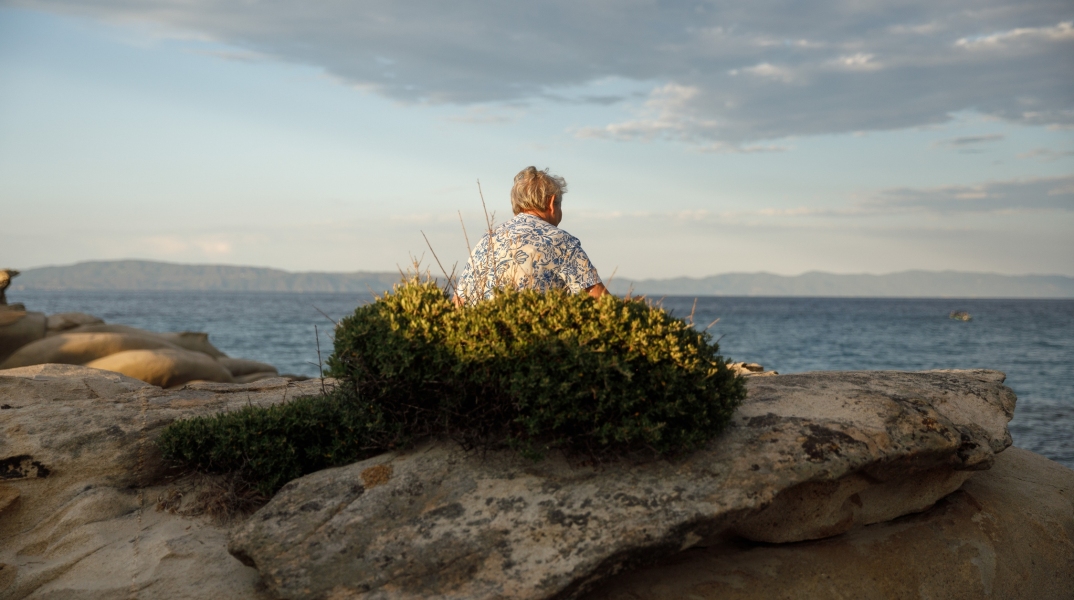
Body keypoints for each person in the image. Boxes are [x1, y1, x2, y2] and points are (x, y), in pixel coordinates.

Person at [454, 167, 609, 305]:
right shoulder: (560, 241)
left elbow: (458, 301)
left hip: (478, 334)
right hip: (535, 335)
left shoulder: (487, 239)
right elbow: (600, 301)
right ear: (552, 202)